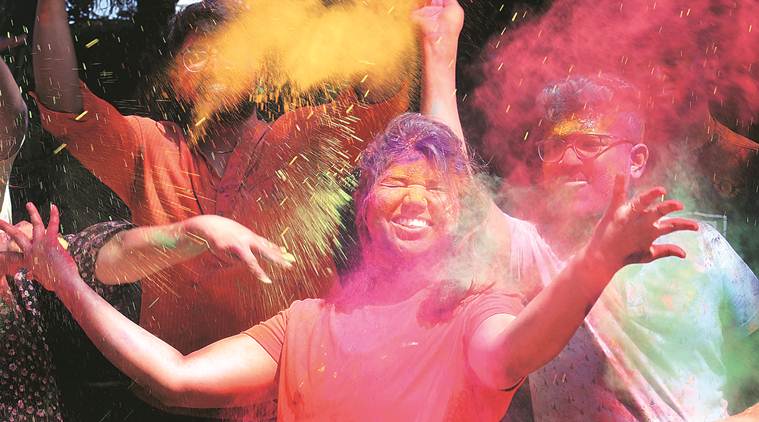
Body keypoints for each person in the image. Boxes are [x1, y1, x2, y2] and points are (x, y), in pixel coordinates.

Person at [0, 108, 698, 420]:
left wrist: (595, 263)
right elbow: (177, 377)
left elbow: (512, 352)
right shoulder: (304, 323)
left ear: (457, 214)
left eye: (437, 190)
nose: (416, 199)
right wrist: (67, 283)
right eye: (396, 182)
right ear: (364, 206)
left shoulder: (475, 309)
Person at [31, 0, 412, 353]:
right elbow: (67, 110)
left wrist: (375, 15)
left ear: (262, 72)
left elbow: (377, 98)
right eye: (196, 55)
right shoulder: (149, 145)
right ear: (176, 80)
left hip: (289, 384)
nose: (215, 65)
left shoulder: (301, 139)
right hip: (171, 389)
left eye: (230, 50)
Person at [502, 75, 759, 421]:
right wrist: (439, 62)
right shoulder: (529, 250)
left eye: (590, 143)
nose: (567, 160)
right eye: (554, 146)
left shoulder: (699, 244)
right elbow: (459, 203)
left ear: (636, 160)